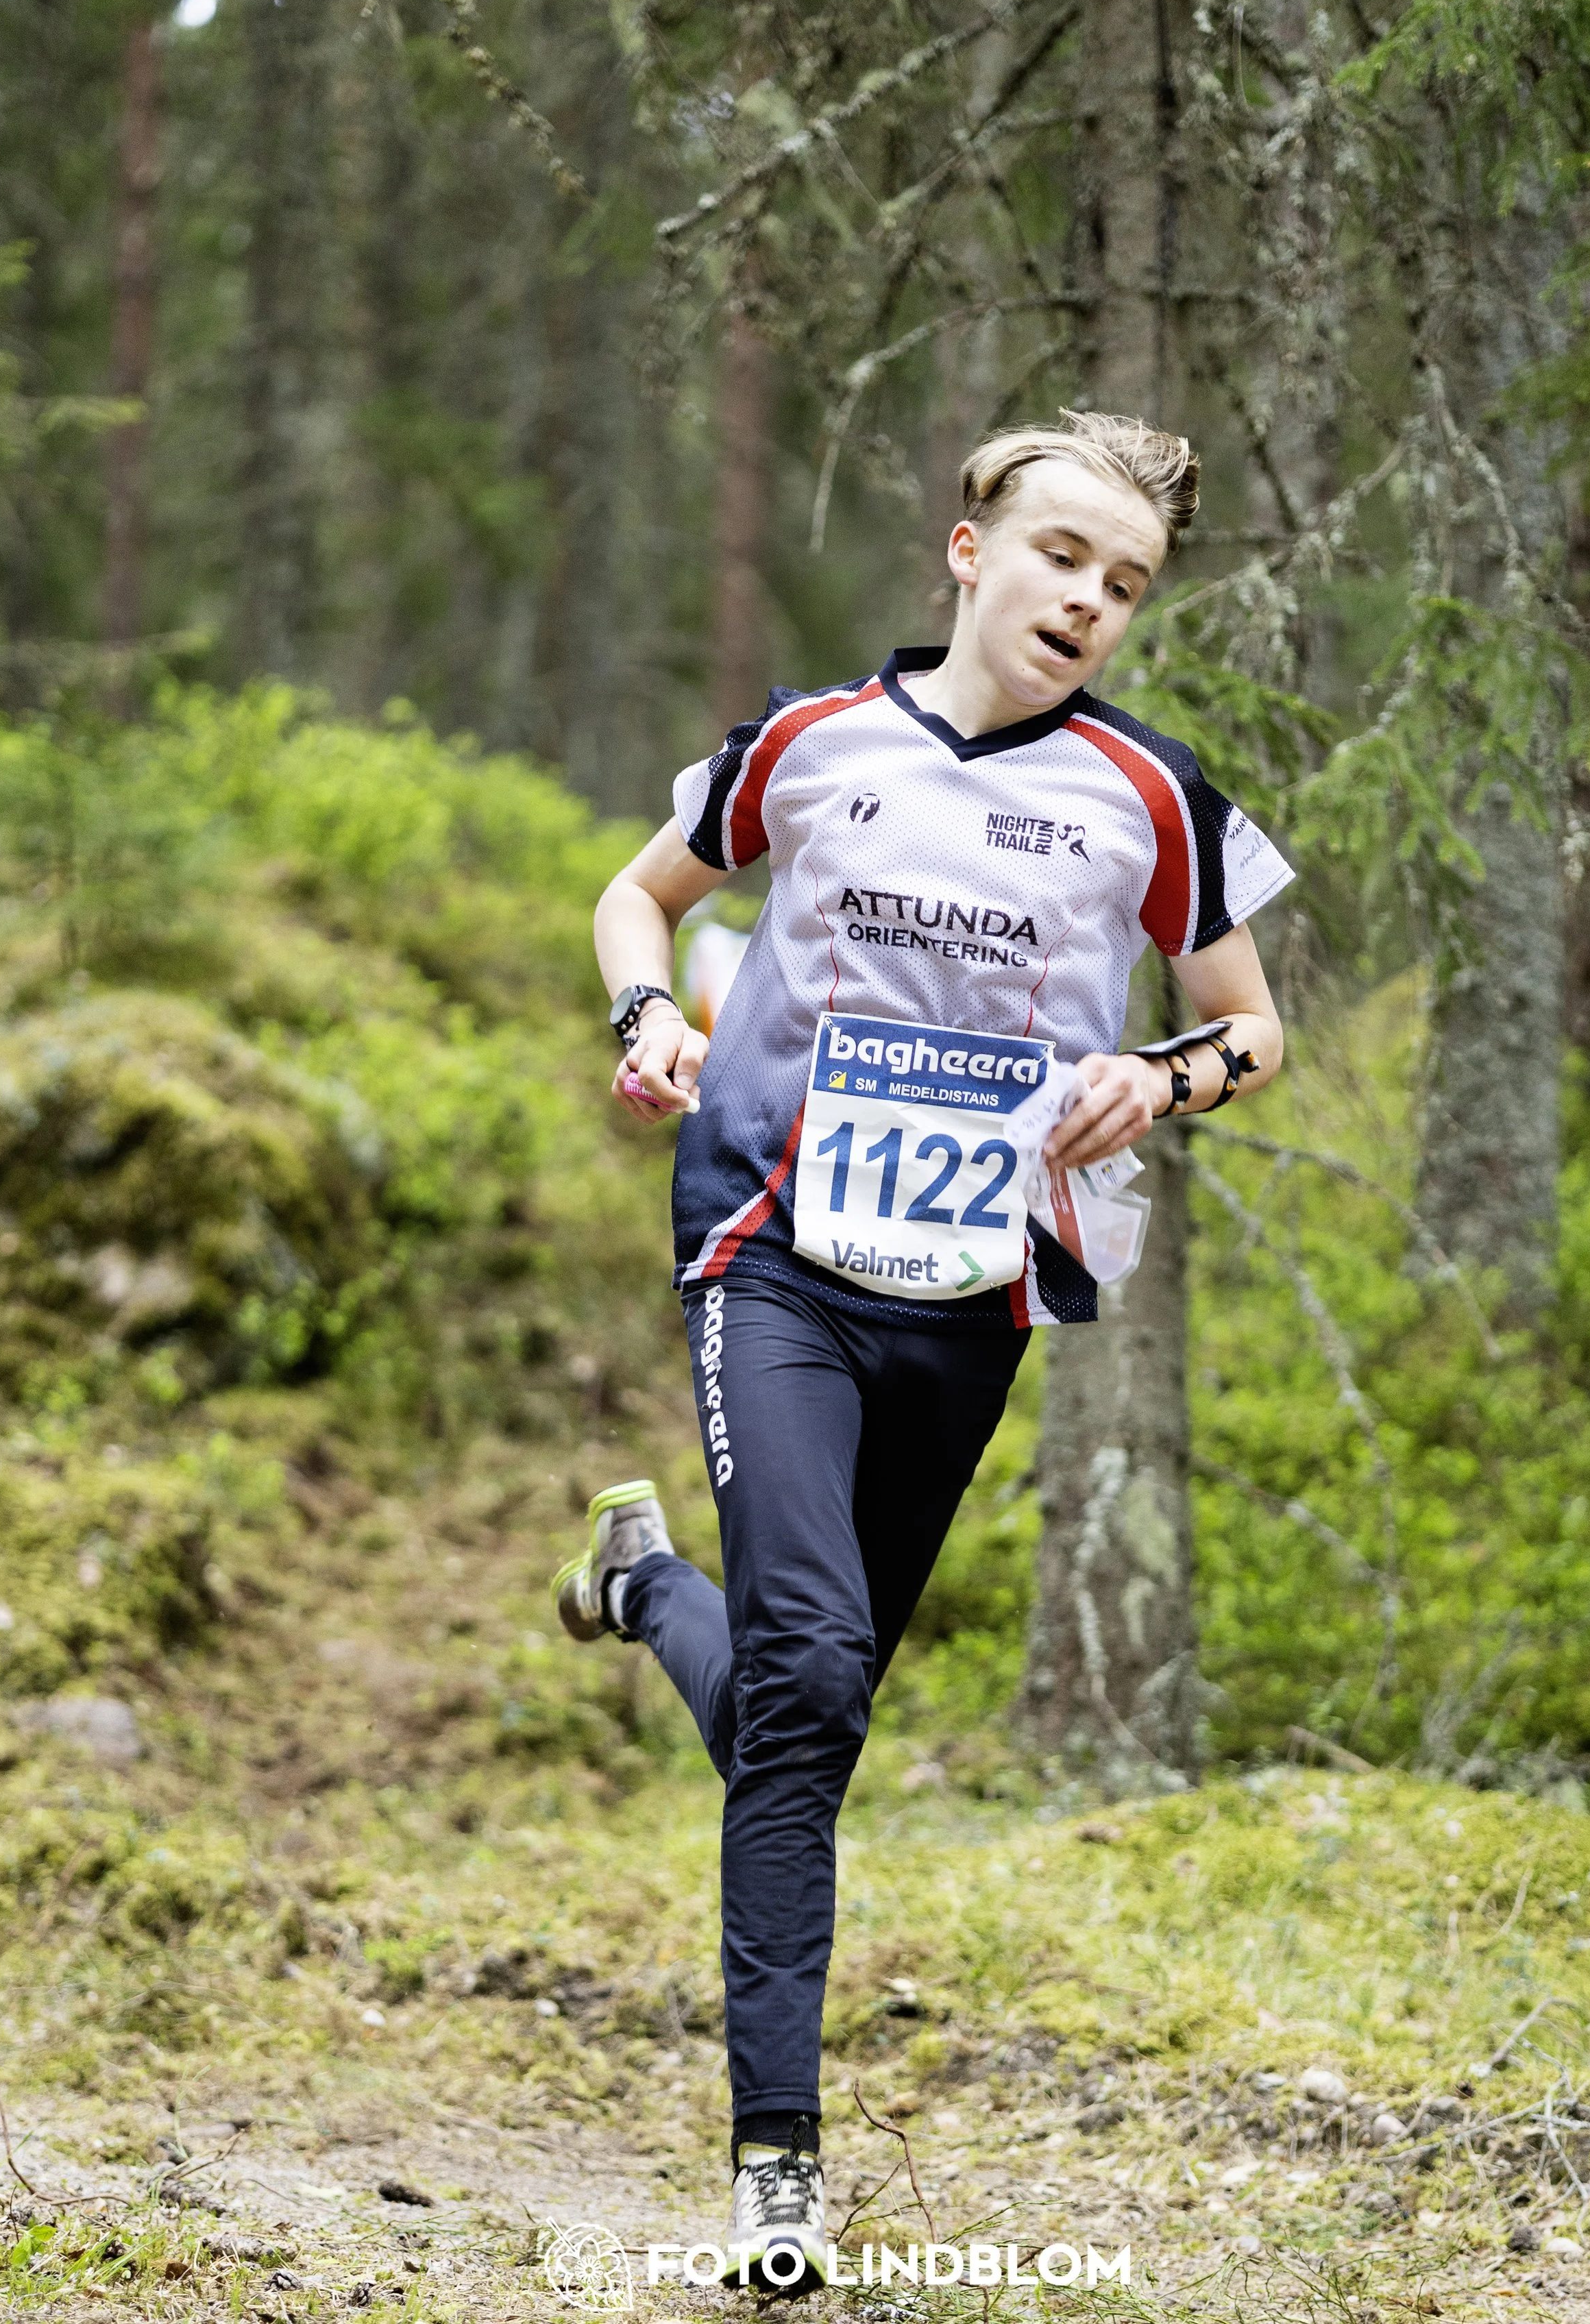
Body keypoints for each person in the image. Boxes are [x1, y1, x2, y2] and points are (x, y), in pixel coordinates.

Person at [552, 411, 1292, 2292]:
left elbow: (1251, 1027)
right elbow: (636, 892)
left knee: (808, 1710)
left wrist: (1157, 1072)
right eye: (1060, 556)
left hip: (966, 1291)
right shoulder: (808, 745)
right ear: (969, 549)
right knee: (806, 1663)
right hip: (770, 1249)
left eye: (1123, 582)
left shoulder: (1148, 794)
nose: (1087, 600)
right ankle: (776, 2177)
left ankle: (640, 1586)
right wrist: (649, 1015)